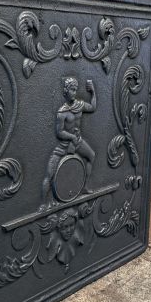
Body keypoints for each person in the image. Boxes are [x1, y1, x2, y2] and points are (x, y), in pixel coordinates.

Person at [40, 77, 96, 209]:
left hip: (78, 142)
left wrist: (93, 92)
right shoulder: (62, 112)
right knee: (50, 173)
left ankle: (84, 186)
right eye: (71, 90)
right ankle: (43, 203)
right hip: (64, 145)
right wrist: (71, 137)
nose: (74, 93)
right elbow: (59, 132)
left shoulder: (79, 105)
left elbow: (93, 107)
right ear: (66, 91)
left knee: (92, 156)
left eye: (75, 90)